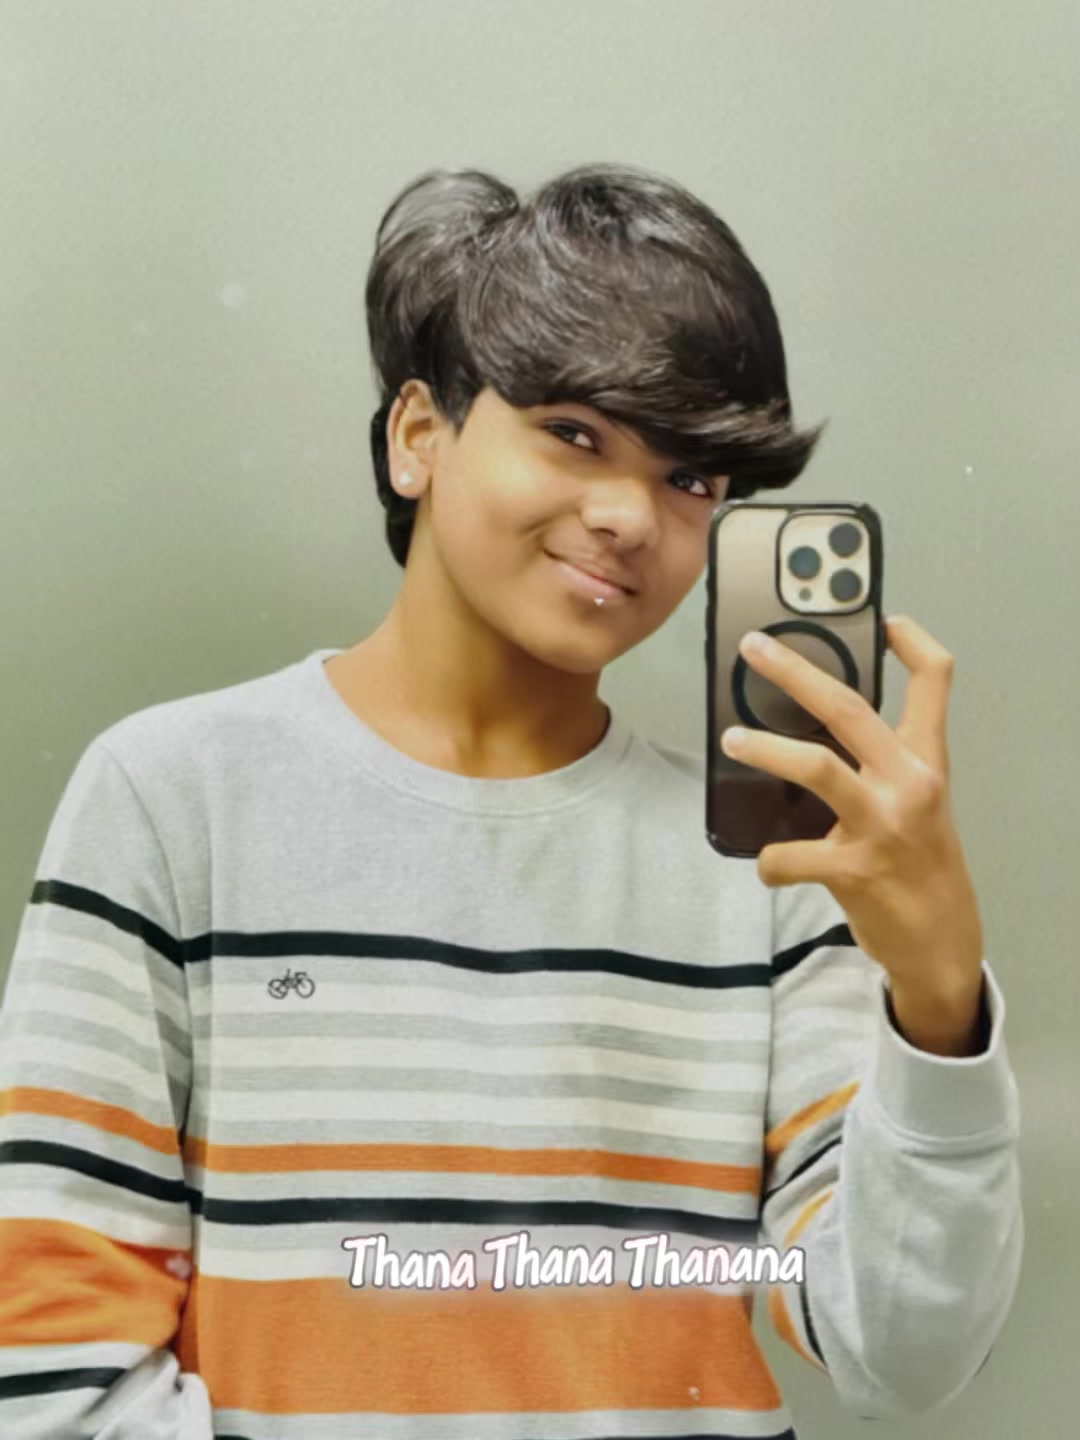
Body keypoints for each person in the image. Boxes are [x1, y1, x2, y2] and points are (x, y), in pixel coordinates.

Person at [0, 163, 1022, 1440]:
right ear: (417, 436)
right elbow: (60, 1368)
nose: (630, 516)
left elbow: (901, 1354)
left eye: (691, 479)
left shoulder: (771, 862)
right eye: (575, 433)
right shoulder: (173, 797)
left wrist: (937, 1002)